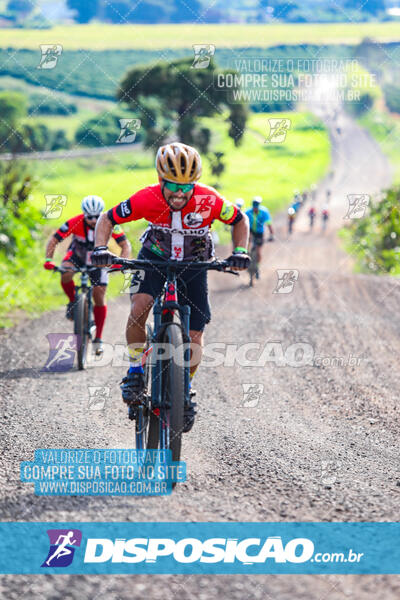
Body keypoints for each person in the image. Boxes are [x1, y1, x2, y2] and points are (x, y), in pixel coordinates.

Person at [91, 142, 250, 432]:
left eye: (187, 187)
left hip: (195, 264)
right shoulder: (146, 198)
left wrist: (240, 251)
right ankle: (136, 371)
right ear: (160, 180)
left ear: (195, 184)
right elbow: (107, 218)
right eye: (173, 186)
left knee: (195, 334)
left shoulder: (210, 200)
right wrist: (101, 247)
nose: (179, 193)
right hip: (154, 259)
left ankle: (184, 388)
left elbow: (240, 219)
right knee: (139, 308)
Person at [44, 195, 131, 355]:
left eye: (96, 216)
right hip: (77, 256)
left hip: (98, 261)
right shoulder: (75, 222)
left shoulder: (108, 222)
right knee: (66, 272)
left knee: (99, 294)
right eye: (89, 217)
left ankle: (98, 338)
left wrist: (123, 261)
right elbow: (54, 240)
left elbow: (125, 244)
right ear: (84, 214)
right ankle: (72, 303)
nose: (93, 220)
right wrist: (49, 259)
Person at [245, 196, 274, 276]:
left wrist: (272, 234)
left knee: (258, 251)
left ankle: (257, 267)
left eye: (256, 206)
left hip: (259, 233)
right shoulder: (247, 212)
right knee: (247, 247)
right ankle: (246, 261)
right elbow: (243, 224)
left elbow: (269, 224)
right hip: (250, 231)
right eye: (254, 206)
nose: (255, 208)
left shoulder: (264, 212)